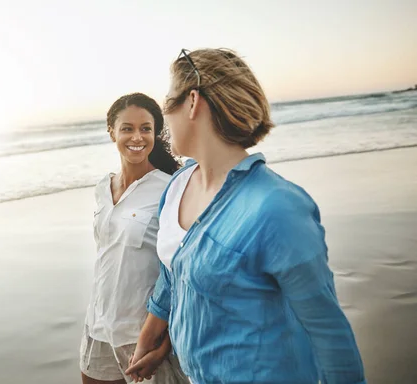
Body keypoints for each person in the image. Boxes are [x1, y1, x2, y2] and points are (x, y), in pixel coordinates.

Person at [126, 49, 366, 384]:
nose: (165, 116)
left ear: (193, 102)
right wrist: (150, 340)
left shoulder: (277, 208)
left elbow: (329, 334)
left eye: (168, 103)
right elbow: (174, 272)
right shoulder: (178, 184)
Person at [80, 93, 187, 384]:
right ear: (111, 131)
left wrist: (165, 344)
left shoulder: (171, 188)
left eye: (145, 128)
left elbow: (180, 273)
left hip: (143, 336)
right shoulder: (103, 187)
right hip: (98, 328)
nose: (137, 137)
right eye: (127, 128)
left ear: (155, 133)